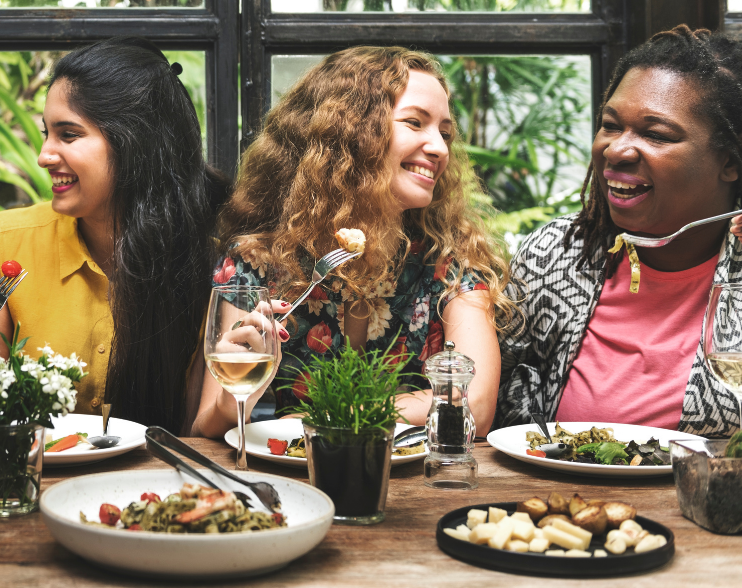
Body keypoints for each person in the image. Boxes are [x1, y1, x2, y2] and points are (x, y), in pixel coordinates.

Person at [192, 46, 514, 439]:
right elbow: (204, 429)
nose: (440, 148)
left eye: (445, 133)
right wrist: (235, 398)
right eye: (415, 123)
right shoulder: (256, 261)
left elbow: (475, 406)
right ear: (349, 134)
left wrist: (332, 413)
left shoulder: (453, 259)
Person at [497, 26, 742, 437]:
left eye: (655, 134)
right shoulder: (554, 253)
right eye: (610, 125)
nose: (616, 150)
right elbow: (485, 402)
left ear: (730, 163)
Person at [0, 37, 228, 435]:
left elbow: (196, 437)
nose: (44, 155)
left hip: (155, 490)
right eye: (47, 133)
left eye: (68, 134)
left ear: (135, 142)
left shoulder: (207, 264)